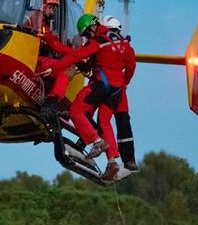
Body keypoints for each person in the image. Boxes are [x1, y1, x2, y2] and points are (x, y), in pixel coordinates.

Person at [43, 14, 132, 181]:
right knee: (104, 121)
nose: (85, 39)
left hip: (101, 84)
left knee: (77, 110)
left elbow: (75, 55)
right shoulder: (121, 42)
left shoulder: (97, 40)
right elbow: (131, 63)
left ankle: (96, 142)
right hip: (117, 89)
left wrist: (55, 67)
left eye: (85, 35)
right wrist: (125, 82)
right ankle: (112, 161)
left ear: (92, 27)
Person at [101, 15, 138, 179]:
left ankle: (88, 145)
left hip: (105, 86)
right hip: (119, 87)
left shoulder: (102, 43)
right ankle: (129, 159)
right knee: (123, 123)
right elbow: (131, 67)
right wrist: (125, 82)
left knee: (101, 118)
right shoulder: (126, 47)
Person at [36, 0, 74, 116]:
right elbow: (57, 46)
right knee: (67, 69)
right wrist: (78, 54)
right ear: (43, 4)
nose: (52, 12)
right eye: (51, 7)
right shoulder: (38, 24)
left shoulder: (38, 22)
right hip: (32, 61)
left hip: (31, 59)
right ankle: (52, 102)